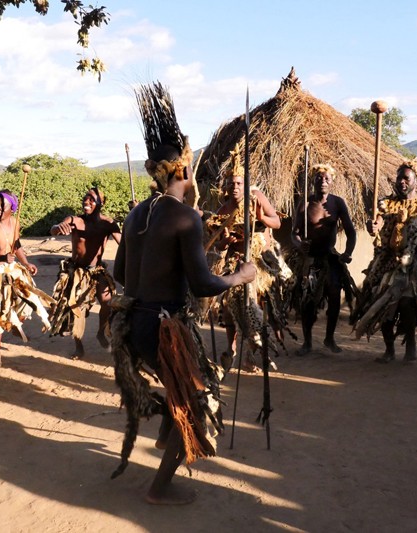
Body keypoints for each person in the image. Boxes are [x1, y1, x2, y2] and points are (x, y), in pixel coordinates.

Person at [110, 82, 256, 505]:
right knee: (197, 401)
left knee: (179, 390)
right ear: (183, 170)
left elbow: (120, 271)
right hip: (163, 328)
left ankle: (163, 436)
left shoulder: (136, 213)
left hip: (134, 322)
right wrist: (241, 277)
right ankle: (159, 488)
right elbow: (203, 284)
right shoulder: (186, 217)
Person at [205, 145, 288, 371]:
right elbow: (218, 244)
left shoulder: (257, 198)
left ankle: (253, 351)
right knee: (230, 306)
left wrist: (261, 216)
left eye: (239, 183)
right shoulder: (223, 211)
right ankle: (231, 348)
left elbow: (277, 222)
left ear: (246, 184)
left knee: (256, 306)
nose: (235, 187)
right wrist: (226, 242)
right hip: (236, 262)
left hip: (258, 260)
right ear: (226, 186)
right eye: (231, 183)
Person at [350, 160, 417, 362]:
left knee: (408, 304)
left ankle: (411, 343)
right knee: (383, 303)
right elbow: (378, 223)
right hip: (386, 263)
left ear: (416, 181)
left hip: (413, 265)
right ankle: (389, 349)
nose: (401, 182)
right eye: (399, 178)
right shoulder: (385, 204)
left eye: (406, 178)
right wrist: (372, 227)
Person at [0, 189, 50, 367]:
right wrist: (1, 258)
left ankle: (14, 324)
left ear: (13, 208)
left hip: (11, 269)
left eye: (3, 205)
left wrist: (26, 263)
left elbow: (16, 245)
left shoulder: (15, 223)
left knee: (27, 301)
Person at [291, 164, 357, 355]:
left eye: (327, 178)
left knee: (335, 295)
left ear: (332, 181)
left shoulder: (337, 203)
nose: (323, 182)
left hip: (330, 256)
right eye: (319, 178)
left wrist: (348, 252)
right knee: (306, 299)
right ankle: (307, 342)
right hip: (309, 258)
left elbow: (351, 232)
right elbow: (293, 233)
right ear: (313, 181)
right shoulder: (305, 203)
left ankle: (329, 338)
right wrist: (298, 245)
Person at [48, 186, 120, 359]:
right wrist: (59, 227)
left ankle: (101, 332)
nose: (86, 202)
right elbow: (54, 229)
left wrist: (135, 216)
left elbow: (124, 242)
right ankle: (78, 345)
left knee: (107, 302)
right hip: (77, 272)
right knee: (78, 310)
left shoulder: (107, 223)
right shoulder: (75, 220)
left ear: (100, 203)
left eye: (91, 199)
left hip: (97, 271)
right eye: (85, 198)